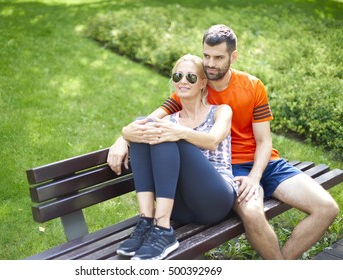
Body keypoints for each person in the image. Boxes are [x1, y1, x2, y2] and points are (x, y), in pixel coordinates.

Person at [108, 24, 339, 260]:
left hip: (265, 164)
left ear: (233, 56)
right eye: (206, 56)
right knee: (253, 213)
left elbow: (264, 140)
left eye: (218, 58)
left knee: (327, 208)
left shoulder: (252, 86)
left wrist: (255, 176)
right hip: (228, 171)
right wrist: (122, 138)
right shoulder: (192, 87)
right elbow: (150, 122)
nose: (210, 64)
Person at [116, 54, 237, 260]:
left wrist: (178, 132)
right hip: (180, 208)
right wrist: (125, 136)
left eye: (191, 77)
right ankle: (147, 221)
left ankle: (163, 230)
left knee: (162, 132)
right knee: (143, 124)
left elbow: (212, 140)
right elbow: (138, 128)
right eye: (178, 75)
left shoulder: (220, 111)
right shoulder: (170, 121)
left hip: (215, 200)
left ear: (202, 83)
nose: (183, 81)